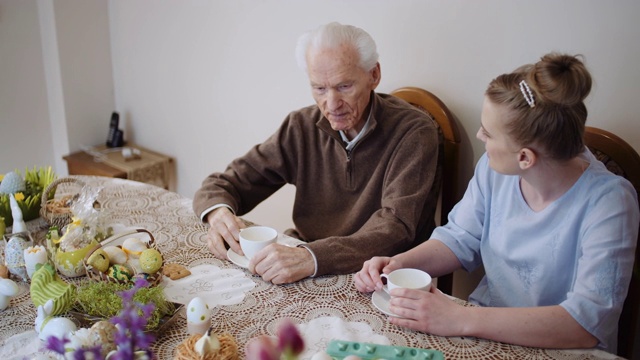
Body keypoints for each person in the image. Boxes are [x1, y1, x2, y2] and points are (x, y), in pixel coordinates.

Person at [354, 53, 639, 352]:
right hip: (482, 334)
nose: (479, 135)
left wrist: (460, 318)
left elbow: (584, 325)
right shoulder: (495, 170)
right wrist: (399, 264)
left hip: (563, 349)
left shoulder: (610, 203)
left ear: (525, 157)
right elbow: (459, 239)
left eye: (488, 133)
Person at [193, 22, 442, 285]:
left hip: (379, 279)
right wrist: (219, 213)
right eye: (319, 89)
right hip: (305, 263)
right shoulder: (301, 126)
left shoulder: (414, 132)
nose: (331, 105)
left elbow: (396, 227)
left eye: (344, 86)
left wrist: (311, 258)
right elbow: (226, 183)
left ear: (374, 75)